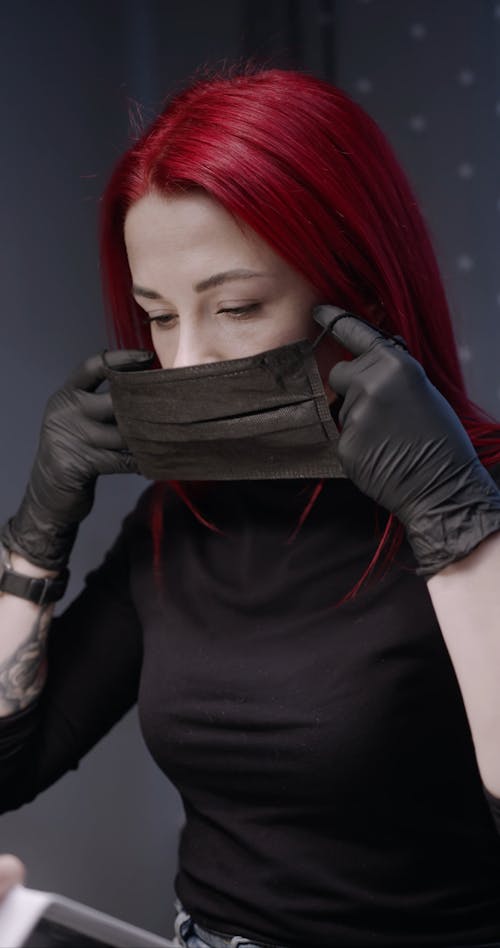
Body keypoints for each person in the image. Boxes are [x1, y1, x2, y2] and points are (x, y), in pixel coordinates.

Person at [1, 64, 500, 948]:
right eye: (157, 316)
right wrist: (37, 538)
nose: (185, 362)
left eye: (235, 307)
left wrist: (458, 527)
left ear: (362, 294)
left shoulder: (479, 495)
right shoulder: (177, 519)